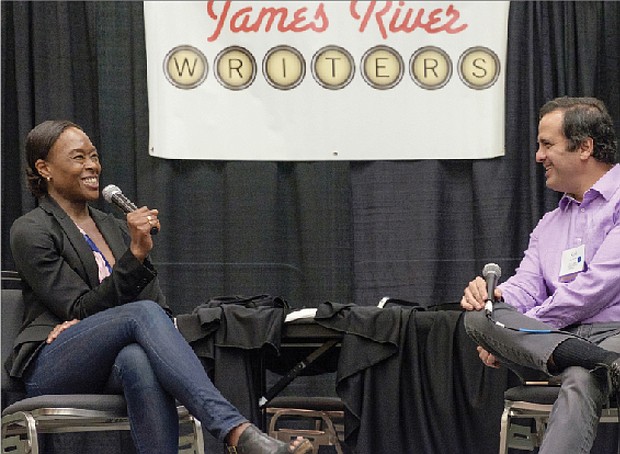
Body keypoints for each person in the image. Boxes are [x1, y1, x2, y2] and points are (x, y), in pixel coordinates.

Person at [6, 120, 313, 454]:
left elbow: (157, 308)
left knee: (137, 357)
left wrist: (132, 264)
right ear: (44, 168)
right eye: (79, 157)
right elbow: (78, 308)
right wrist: (132, 261)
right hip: (52, 362)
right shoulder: (32, 230)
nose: (93, 165)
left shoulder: (115, 227)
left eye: (94, 156)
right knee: (140, 316)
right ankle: (237, 433)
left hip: (111, 360)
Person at [461, 96, 620, 453]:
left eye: (547, 145)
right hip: (564, 342)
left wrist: (518, 331)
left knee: (581, 376)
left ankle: (594, 360)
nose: (538, 156)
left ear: (584, 147)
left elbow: (595, 289)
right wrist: (495, 299)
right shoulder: (549, 223)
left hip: (615, 333)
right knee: (476, 320)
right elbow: (527, 285)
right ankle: (604, 364)